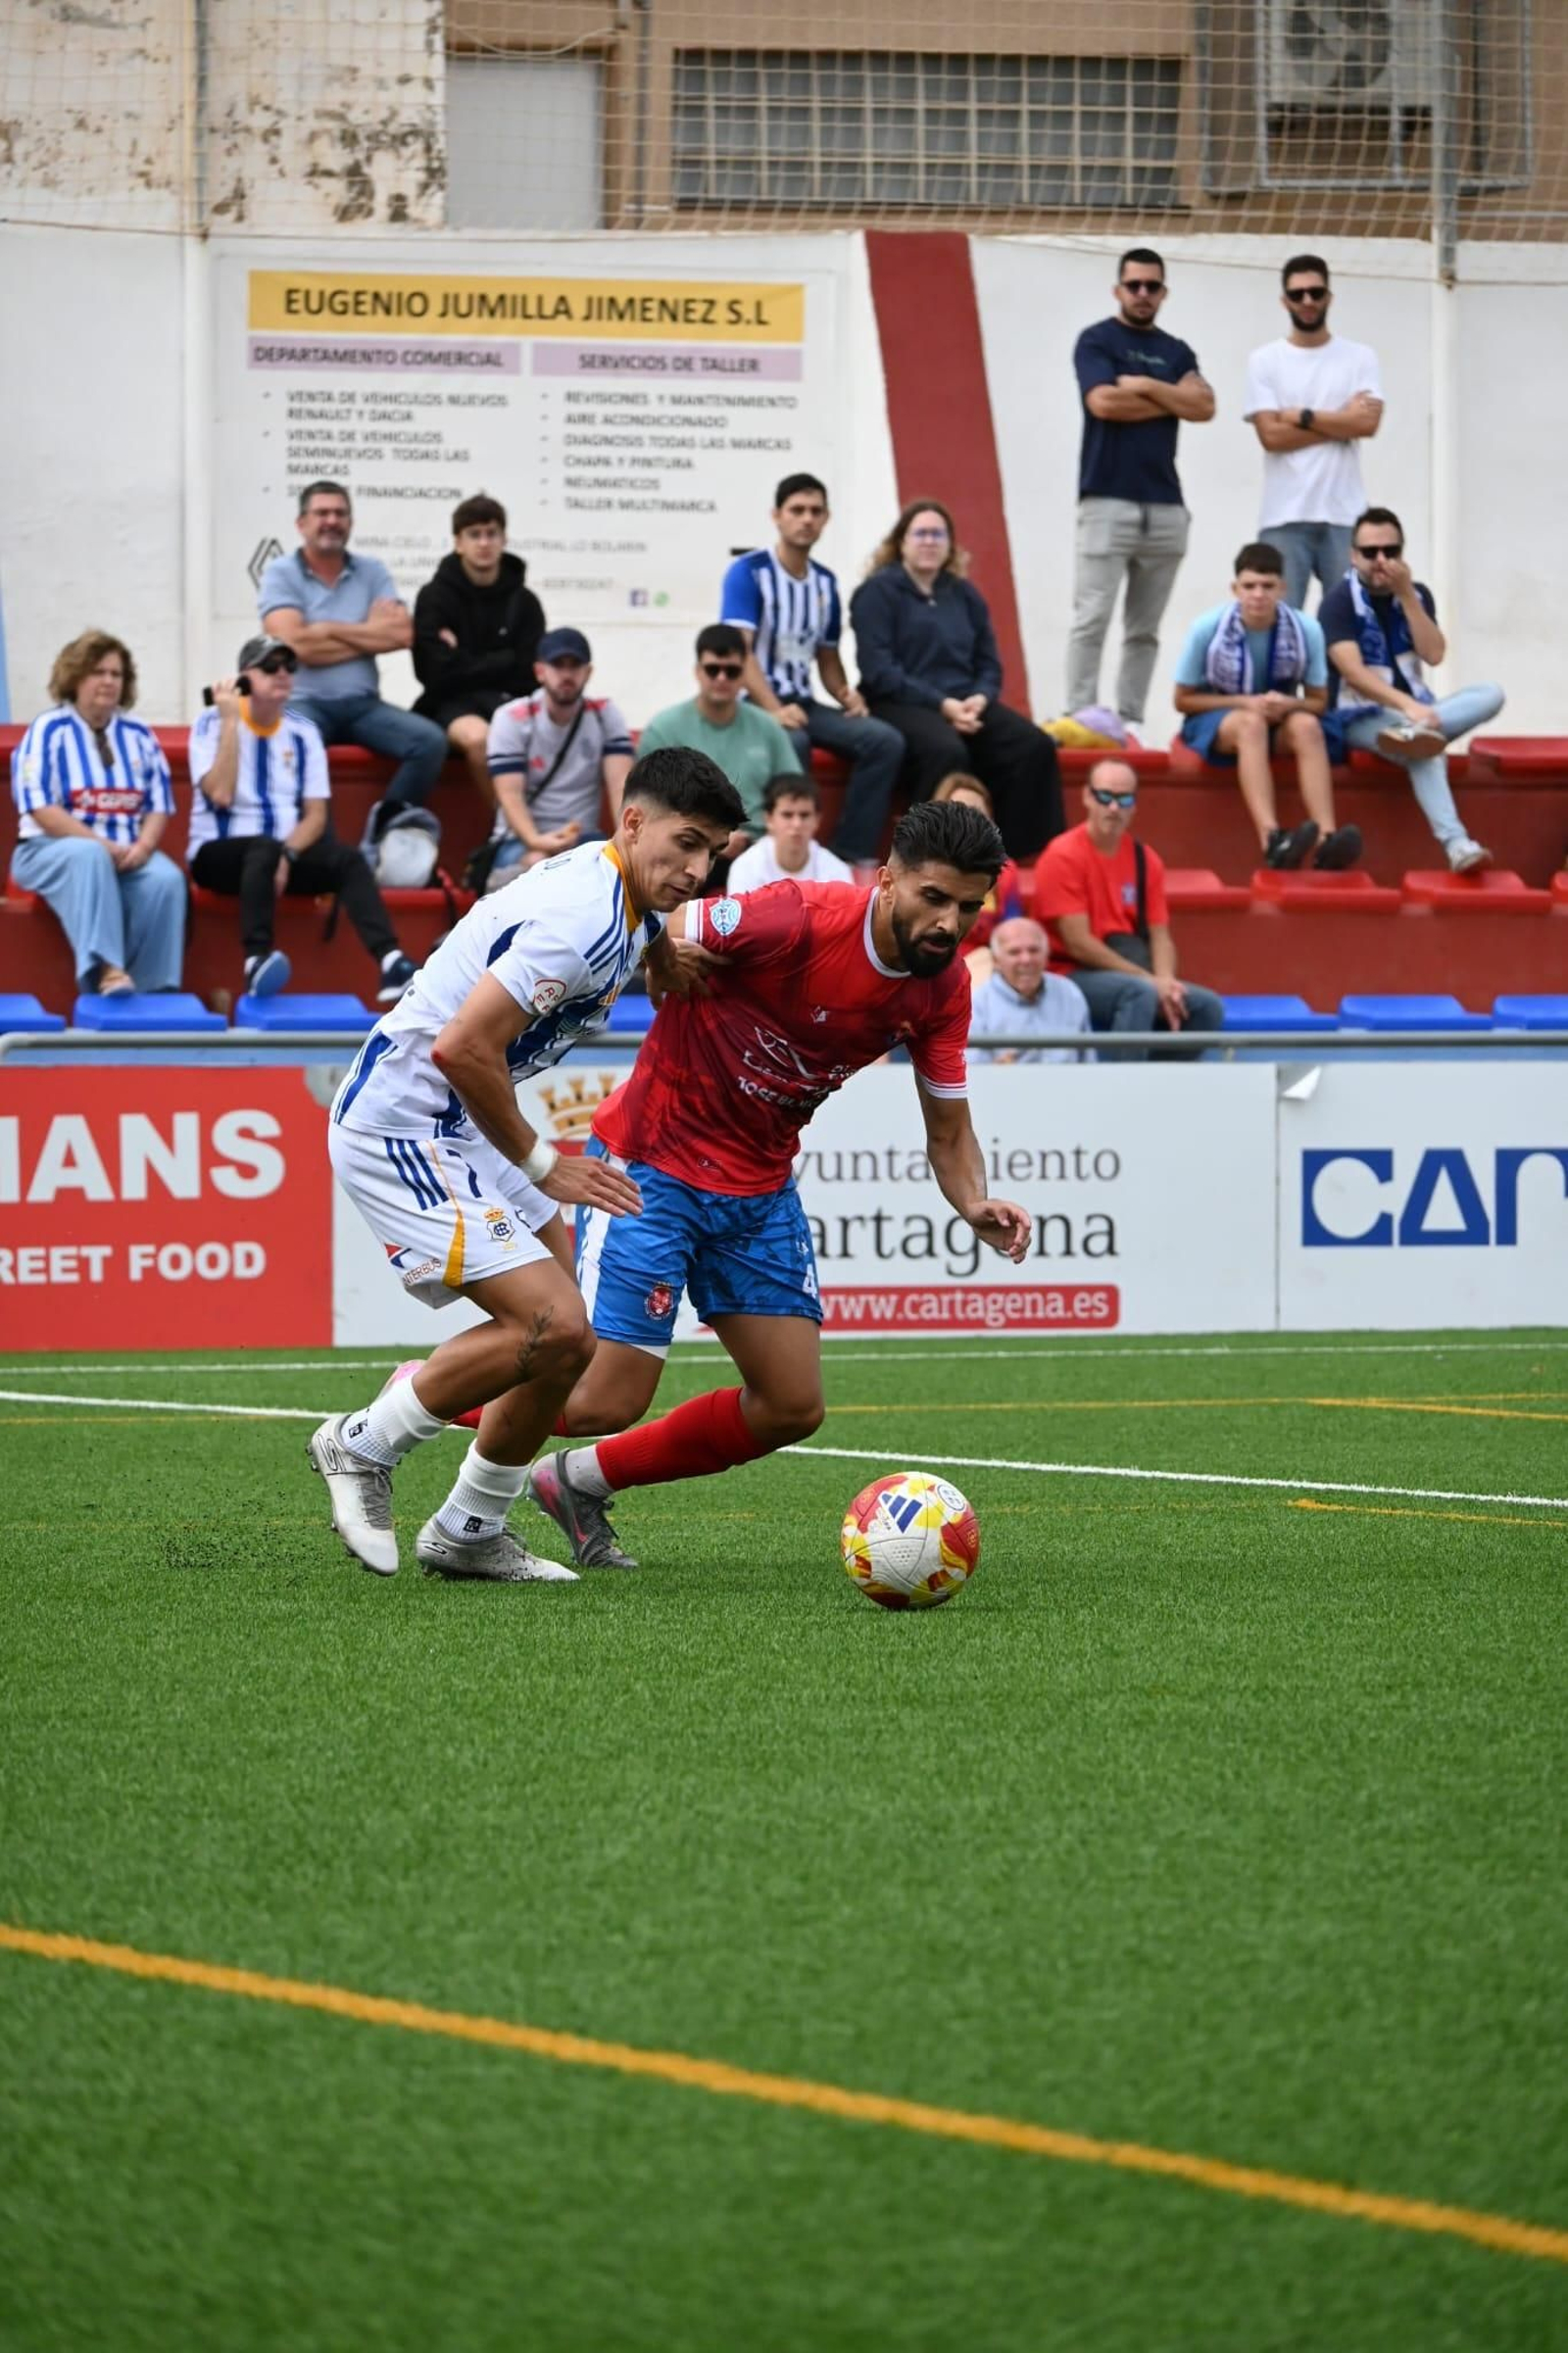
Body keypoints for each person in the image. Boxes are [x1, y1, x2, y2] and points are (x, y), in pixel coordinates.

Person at [518, 798, 1033, 1573]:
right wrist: (660, 950)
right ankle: (416, 1396)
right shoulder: (795, 915)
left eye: (968, 907)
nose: (949, 922)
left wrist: (972, 1202)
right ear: (887, 880)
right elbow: (653, 915)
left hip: (758, 1189)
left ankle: (578, 1482)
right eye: (934, 897)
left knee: (792, 1405)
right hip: (654, 1162)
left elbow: (950, 1130)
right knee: (601, 1400)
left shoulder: (942, 989)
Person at [308, 746, 745, 1586]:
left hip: (456, 1119)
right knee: (554, 1324)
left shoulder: (626, 887)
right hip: (403, 1121)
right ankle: (361, 1444)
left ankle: (471, 1525)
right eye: (685, 844)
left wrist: (661, 961)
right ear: (633, 820)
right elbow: (461, 1045)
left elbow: (642, 930)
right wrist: (546, 1163)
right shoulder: (581, 915)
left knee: (564, 1341)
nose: (696, 870)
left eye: (711, 854)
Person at [186, 635, 418, 1005]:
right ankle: (256, 961)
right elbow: (220, 793)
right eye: (270, 667)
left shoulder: (303, 731)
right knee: (262, 848)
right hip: (218, 857)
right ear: (243, 677)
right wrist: (230, 721)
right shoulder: (211, 723)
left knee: (347, 859)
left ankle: (391, 960)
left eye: (289, 667)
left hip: (279, 857)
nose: (282, 674)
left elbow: (315, 816)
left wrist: (288, 856)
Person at [849, 500, 1062, 860]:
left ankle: (1020, 857)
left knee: (1033, 745)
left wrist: (981, 696)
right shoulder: (877, 592)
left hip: (965, 701)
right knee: (945, 749)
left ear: (949, 544)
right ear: (901, 541)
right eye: (920, 533)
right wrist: (942, 705)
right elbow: (878, 668)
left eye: (938, 534)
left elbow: (989, 662)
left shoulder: (964, 594)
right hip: (899, 701)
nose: (929, 541)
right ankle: (930, 854)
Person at [719, 472, 905, 867]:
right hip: (754, 703)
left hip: (804, 701)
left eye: (815, 511)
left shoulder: (824, 583)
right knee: (794, 742)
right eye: (797, 510)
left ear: (826, 519)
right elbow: (741, 652)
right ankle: (785, 856)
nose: (806, 519)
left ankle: (848, 854)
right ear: (777, 516)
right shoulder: (748, 573)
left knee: (884, 741)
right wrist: (773, 709)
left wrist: (845, 694)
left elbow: (827, 658)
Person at [1066, 249, 1215, 728]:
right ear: (1119, 290)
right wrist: (1172, 398)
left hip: (1166, 507)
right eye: (1135, 286)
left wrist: (1145, 385)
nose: (1144, 294)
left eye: (1153, 286)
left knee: (1144, 630)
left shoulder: (1176, 350)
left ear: (1164, 292)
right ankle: (1081, 717)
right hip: (1107, 499)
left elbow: (1205, 406)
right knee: (1092, 619)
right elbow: (1105, 402)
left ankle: (1129, 721)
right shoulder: (1096, 340)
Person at [259, 480, 447, 835]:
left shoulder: (371, 571)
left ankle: (385, 835)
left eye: (340, 513)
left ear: (351, 523)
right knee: (300, 744)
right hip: (303, 704)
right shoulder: (281, 573)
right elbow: (294, 648)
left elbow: (401, 634)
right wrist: (366, 632)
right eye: (322, 513)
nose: (332, 521)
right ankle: (327, 857)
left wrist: (326, 627)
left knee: (430, 741)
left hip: (364, 705)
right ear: (301, 524)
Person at [1320, 509, 1500, 874]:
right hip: (1358, 715)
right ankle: (1457, 845)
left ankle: (1411, 734)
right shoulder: (1338, 602)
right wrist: (1408, 708)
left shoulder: (1416, 595)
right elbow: (1353, 673)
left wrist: (1407, 597)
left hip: (1416, 713)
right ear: (1354, 556)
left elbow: (1434, 654)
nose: (1381, 561)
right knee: (1426, 751)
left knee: (1491, 693)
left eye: (1391, 551)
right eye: (1370, 553)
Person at [9, 630, 184, 997]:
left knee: (166, 880)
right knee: (90, 857)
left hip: (124, 852)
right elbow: (40, 806)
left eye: (116, 674)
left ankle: (154, 990)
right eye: (98, 672)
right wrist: (101, 844)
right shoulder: (48, 729)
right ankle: (108, 970)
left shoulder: (138, 733)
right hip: (49, 850)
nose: (108, 681)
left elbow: (158, 803)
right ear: (75, 678)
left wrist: (145, 847)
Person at [1173, 541, 1361, 870]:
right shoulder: (1207, 628)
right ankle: (1272, 839)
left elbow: (1318, 702)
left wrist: (1289, 704)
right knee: (1251, 724)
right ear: (1235, 589)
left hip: (1280, 717)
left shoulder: (1306, 628)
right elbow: (1182, 699)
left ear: (1283, 588)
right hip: (1220, 717)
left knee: (1307, 726)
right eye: (1249, 586)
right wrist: (1244, 703)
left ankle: (1326, 839)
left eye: (1267, 586)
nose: (1258, 595)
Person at [1033, 760, 1225, 1059]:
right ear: (1087, 797)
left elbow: (1161, 936)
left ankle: (1157, 1087)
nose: (1113, 808)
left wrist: (1166, 982)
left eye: (1124, 799)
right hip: (1067, 972)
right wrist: (1147, 980)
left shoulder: (1145, 859)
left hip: (1127, 969)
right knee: (1137, 993)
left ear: (1134, 804)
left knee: (1206, 1008)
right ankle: (1123, 1091)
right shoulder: (1062, 856)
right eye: (1104, 797)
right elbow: (1078, 944)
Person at [1243, 257, 1383, 614]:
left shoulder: (1359, 357)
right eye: (1298, 294)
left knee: (1351, 624)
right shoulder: (1265, 360)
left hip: (1345, 516)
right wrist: (1340, 422)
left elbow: (1366, 425)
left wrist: (1301, 416)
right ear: (1284, 300)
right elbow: (1271, 437)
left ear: (1329, 297)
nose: (1307, 301)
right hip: (1284, 515)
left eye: (1315, 292)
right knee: (1278, 624)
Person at [412, 493, 546, 811]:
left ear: (504, 539)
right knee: (480, 738)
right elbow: (432, 672)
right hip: (450, 705)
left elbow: (531, 671)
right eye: (474, 535)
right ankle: (509, 830)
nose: (484, 543)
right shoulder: (434, 598)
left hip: (509, 700)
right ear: (458, 542)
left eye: (491, 534)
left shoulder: (525, 601)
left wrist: (461, 659)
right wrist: (504, 658)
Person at [482, 628, 634, 889]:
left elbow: (621, 787)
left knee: (608, 872)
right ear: (540, 671)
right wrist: (536, 840)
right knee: (538, 865)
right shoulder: (512, 718)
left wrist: (627, 846)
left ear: (588, 672)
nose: (566, 675)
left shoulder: (605, 715)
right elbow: (510, 795)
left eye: (575, 666)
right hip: (519, 840)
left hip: (584, 838)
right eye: (557, 665)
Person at [637, 623, 797, 865]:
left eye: (731, 671)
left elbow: (793, 795)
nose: (722, 678)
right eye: (713, 669)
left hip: (758, 850)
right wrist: (709, 837)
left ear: (744, 675)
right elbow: (648, 805)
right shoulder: (664, 729)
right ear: (697, 671)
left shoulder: (768, 729)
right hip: (685, 847)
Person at [967, 917, 1093, 1065]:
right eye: (1014, 952)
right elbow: (975, 1075)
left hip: (1068, 1085)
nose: (1026, 959)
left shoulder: (1070, 993)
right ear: (996, 961)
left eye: (1034, 950)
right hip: (1007, 1086)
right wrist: (995, 1071)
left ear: (1047, 956)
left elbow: (1089, 1061)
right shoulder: (978, 1004)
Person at [930, 773, 1023, 953]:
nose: (968, 822)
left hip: (992, 962)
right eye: (959, 812)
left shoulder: (1006, 870)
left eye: (977, 813)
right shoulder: (925, 870)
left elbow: (1013, 930)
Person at [725, 772, 853, 894]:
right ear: (769, 819)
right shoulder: (746, 868)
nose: (797, 824)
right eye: (787, 815)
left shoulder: (837, 871)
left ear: (817, 820)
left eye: (804, 815)